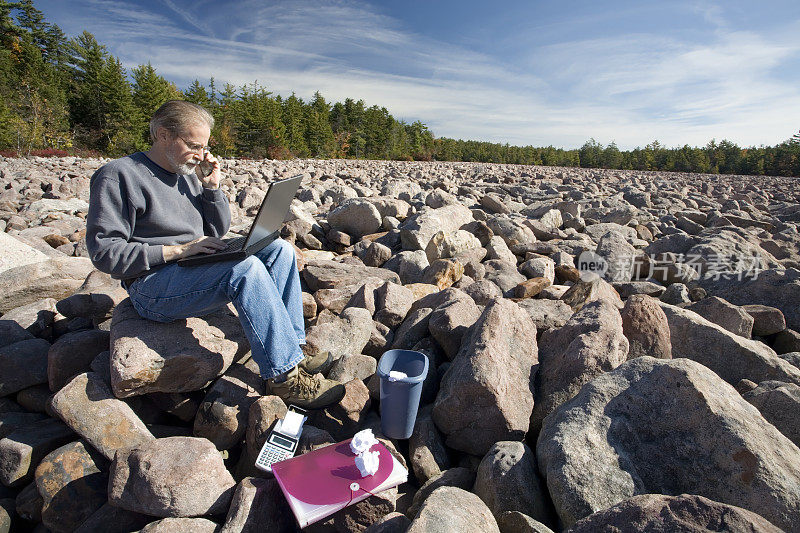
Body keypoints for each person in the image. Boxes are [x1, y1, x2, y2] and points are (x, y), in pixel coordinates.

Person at [86, 100, 343, 409]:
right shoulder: (118, 176)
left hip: (192, 265)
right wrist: (177, 250)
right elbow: (105, 253)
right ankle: (285, 379)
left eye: (204, 146)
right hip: (151, 284)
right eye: (194, 145)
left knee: (278, 250)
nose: (201, 154)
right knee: (246, 270)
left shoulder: (187, 173)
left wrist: (211, 188)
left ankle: (294, 351)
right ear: (163, 135)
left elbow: (217, 230)